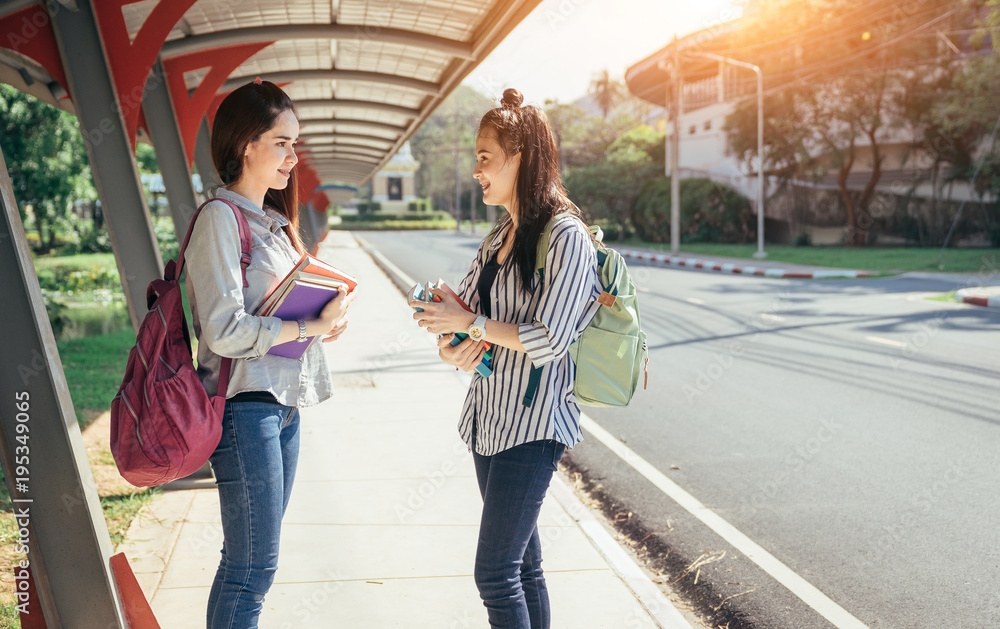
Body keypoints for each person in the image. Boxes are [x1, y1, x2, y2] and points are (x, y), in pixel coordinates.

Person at [411, 88, 601, 629]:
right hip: (489, 420)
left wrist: (467, 324)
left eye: (485, 157)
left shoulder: (566, 236)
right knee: (523, 570)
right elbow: (467, 312)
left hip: (535, 424)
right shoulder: (500, 234)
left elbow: (550, 338)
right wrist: (450, 339)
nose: (476, 169)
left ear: (520, 156)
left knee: (494, 574)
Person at [184, 79, 355, 629]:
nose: (292, 156)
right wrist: (303, 321)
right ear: (245, 145)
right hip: (245, 411)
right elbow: (223, 331)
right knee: (251, 567)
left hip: (283, 409)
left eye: (294, 144)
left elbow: (281, 320)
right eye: (282, 142)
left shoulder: (276, 226)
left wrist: (321, 326)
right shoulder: (219, 220)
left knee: (253, 565)